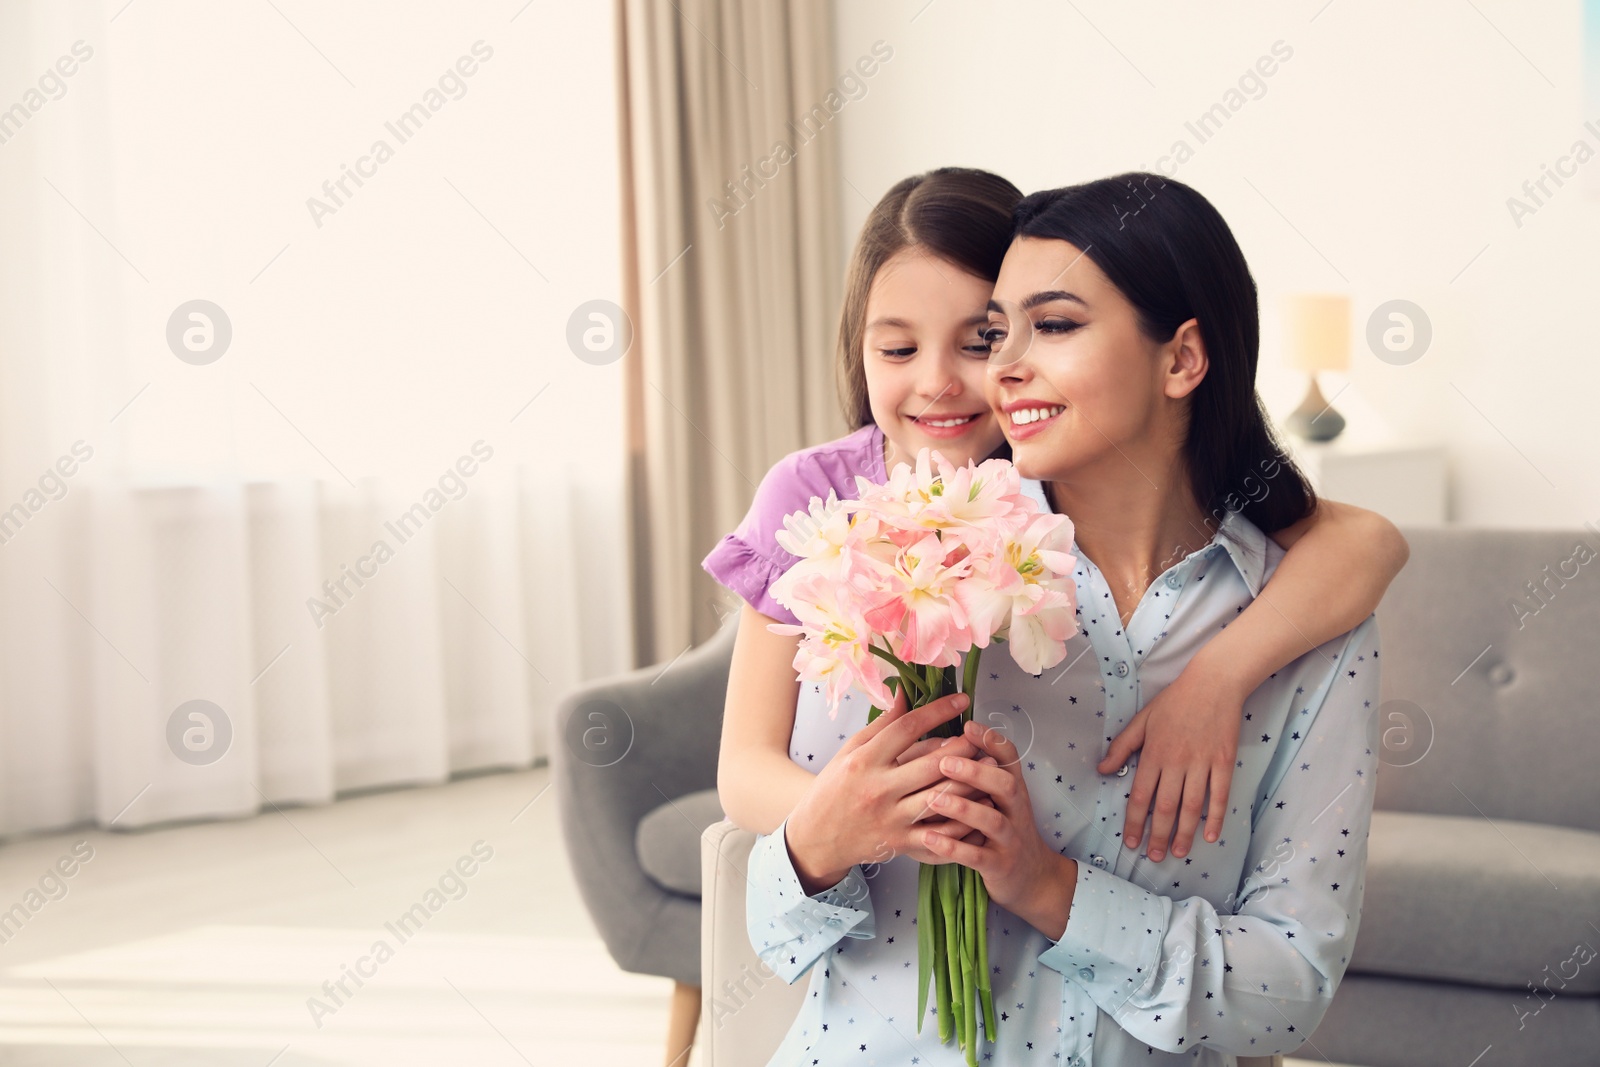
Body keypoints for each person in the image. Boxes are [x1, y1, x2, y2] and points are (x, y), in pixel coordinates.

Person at [740, 172, 1388, 1063]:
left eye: (1048, 325)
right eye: (998, 331)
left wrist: (1052, 888)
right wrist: (823, 833)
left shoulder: (1305, 618)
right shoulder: (911, 565)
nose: (996, 369)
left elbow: (1287, 995)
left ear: (1182, 358)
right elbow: (775, 930)